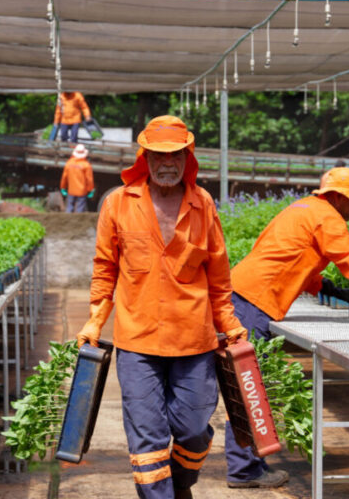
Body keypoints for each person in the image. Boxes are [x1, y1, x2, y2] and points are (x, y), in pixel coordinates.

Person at [224, 167, 349, 489]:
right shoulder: (327, 216)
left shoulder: (303, 209)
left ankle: (246, 465)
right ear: (336, 196)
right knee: (248, 388)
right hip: (253, 302)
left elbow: (295, 259)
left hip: (244, 294)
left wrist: (329, 289)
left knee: (244, 385)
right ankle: (244, 470)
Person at [77, 115, 248, 499]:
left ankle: (180, 484)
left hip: (195, 342)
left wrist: (231, 326)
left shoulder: (202, 204)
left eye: (175, 155)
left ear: (188, 157)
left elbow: (219, 276)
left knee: (192, 430)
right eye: (158, 155)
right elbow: (104, 270)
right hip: (138, 344)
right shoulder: (118, 204)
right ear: (145, 157)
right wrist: (94, 322)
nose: (166, 163)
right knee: (148, 439)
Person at [60, 143, 95, 213]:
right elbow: (89, 179)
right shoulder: (86, 165)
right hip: (82, 191)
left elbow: (64, 177)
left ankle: (67, 221)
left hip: (71, 190)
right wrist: (90, 190)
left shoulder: (69, 163)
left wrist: (63, 187)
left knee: (69, 207)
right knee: (79, 209)